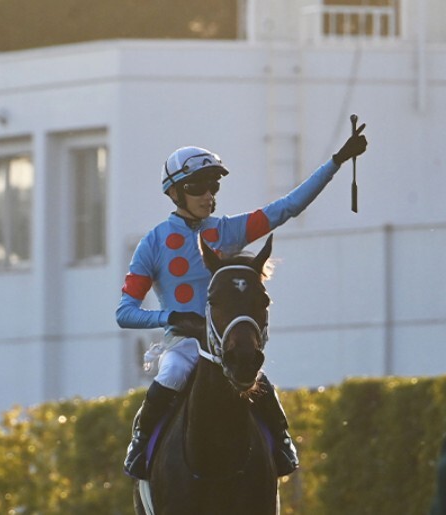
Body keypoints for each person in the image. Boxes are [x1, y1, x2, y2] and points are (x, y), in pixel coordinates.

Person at [116, 126, 368, 480]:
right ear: (174, 192)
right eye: (197, 187)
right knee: (171, 373)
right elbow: (125, 313)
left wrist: (336, 162)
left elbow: (287, 208)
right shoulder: (153, 243)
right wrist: (172, 316)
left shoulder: (226, 230)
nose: (208, 195)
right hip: (184, 345)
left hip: (224, 344)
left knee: (258, 379)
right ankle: (140, 444)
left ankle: (282, 442)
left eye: (213, 186)